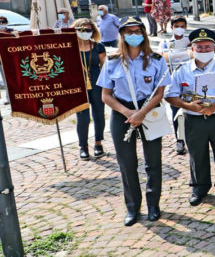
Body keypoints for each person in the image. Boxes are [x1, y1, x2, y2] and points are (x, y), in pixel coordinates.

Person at [97, 16, 170, 226]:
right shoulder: (112, 61)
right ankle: (133, 207)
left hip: (149, 111)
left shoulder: (156, 59)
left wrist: (141, 113)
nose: (134, 35)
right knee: (127, 163)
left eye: (138, 31)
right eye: (129, 32)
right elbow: (106, 95)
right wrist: (128, 113)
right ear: (121, 35)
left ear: (144, 34)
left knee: (153, 161)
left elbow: (160, 92)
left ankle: (154, 204)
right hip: (122, 113)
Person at [165, 28, 215, 207]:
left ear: (214, 48)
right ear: (192, 48)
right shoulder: (182, 70)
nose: (203, 50)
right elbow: (170, 94)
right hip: (194, 119)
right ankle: (199, 187)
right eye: (199, 47)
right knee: (197, 155)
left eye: (207, 47)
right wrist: (188, 106)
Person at [73, 18, 107, 160]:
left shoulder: (98, 46)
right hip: (78, 86)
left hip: (96, 83)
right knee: (83, 117)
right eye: (82, 30)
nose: (85, 32)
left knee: (99, 114)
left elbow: (104, 67)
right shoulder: (70, 47)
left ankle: (98, 143)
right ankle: (83, 146)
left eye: (88, 30)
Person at [158, 16, 192, 155]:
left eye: (182, 26)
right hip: (174, 82)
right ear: (171, 27)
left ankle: (192, 139)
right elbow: (161, 57)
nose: (179, 28)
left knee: (191, 110)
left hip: (189, 81)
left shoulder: (190, 42)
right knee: (176, 112)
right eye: (176, 25)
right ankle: (180, 140)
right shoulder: (165, 43)